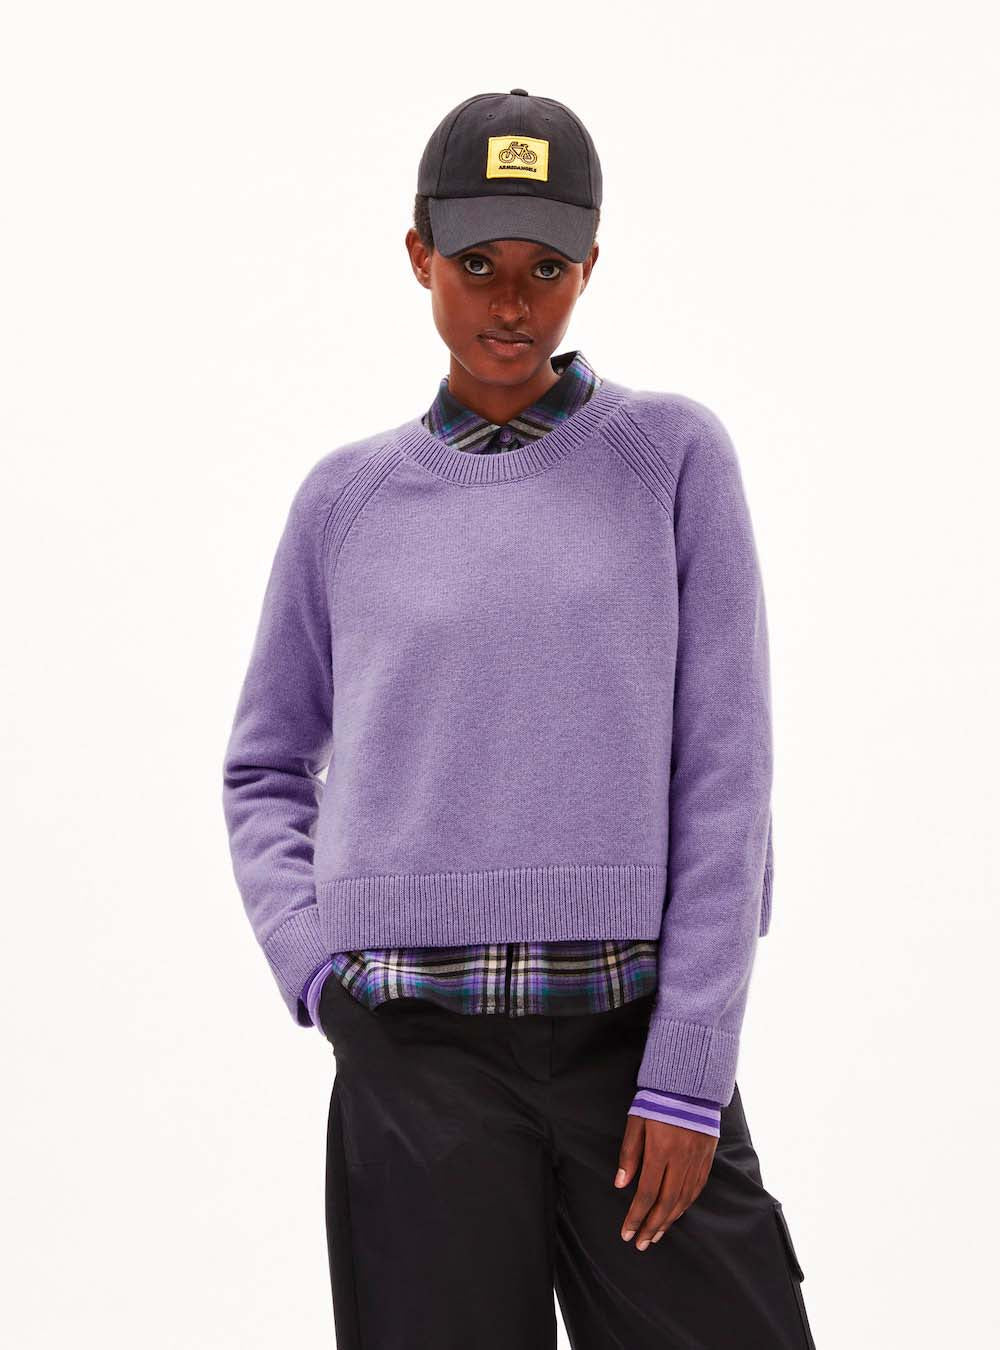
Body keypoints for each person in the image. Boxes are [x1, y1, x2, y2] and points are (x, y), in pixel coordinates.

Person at [222, 87, 817, 1349]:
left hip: (630, 1044)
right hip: (414, 1061)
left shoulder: (671, 459)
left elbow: (727, 776)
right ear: (418, 255)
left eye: (546, 268)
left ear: (590, 264)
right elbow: (265, 764)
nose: (511, 303)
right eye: (477, 264)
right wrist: (319, 976)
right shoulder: (344, 502)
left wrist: (688, 1066)